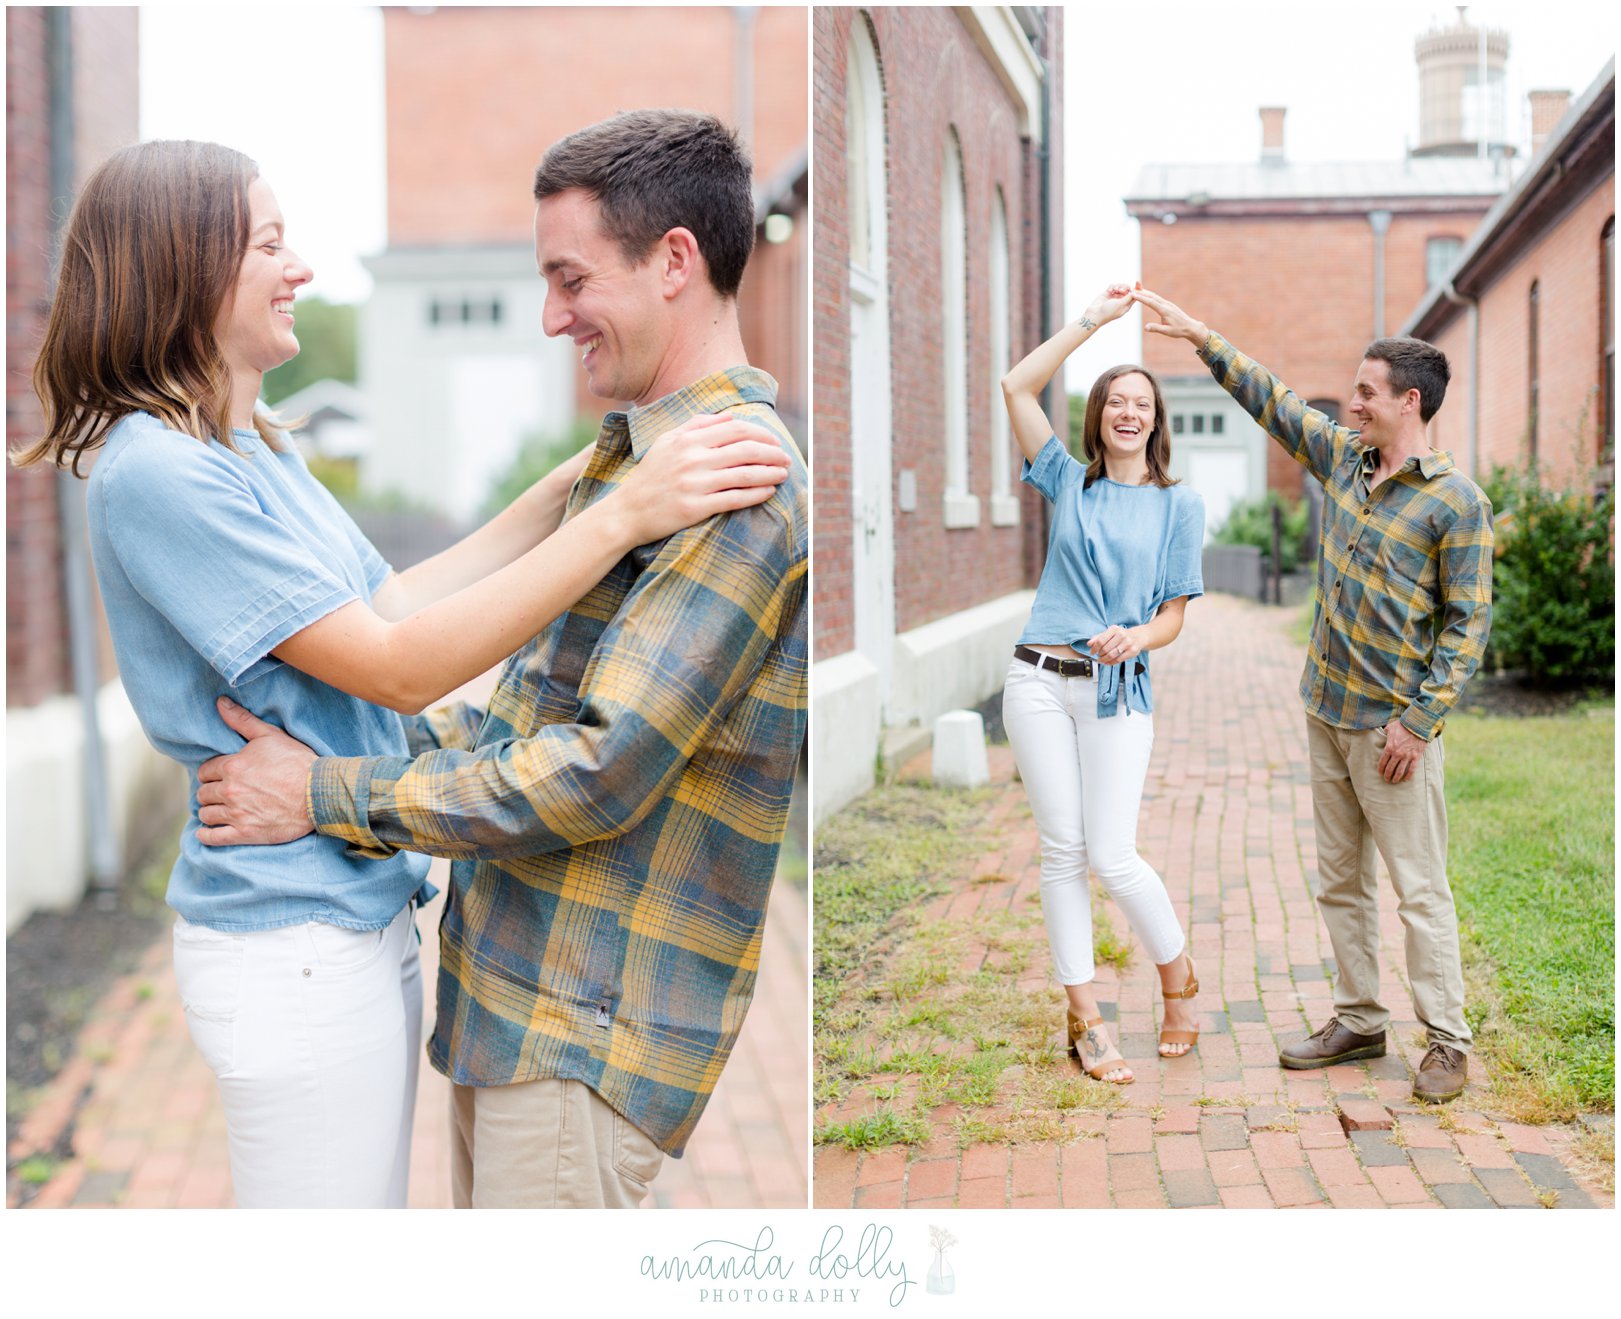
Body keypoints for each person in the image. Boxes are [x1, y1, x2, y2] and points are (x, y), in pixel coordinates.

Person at [13, 138, 789, 1208]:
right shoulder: (159, 474)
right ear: (184, 266)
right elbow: (395, 666)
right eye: (270, 244)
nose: (303, 270)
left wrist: (595, 472)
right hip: (286, 931)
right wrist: (629, 508)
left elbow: (392, 601)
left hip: (357, 908)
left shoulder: (255, 446)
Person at [1133, 286, 1492, 1104]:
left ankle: (1446, 1041)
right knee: (1338, 880)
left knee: (1418, 888)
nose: (1351, 402)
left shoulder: (1455, 502)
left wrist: (1419, 720)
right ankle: (1360, 1020)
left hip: (1392, 732)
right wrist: (1198, 333)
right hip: (1324, 711)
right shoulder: (1342, 459)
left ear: (1408, 400)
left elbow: (1467, 627)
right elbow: (1270, 400)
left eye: (1365, 391)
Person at [998, 283, 1205, 1086]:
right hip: (1036, 682)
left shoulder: (1177, 505)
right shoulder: (1065, 479)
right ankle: (1085, 1018)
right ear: (1098, 415)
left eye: (1141, 404)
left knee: (1112, 855)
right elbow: (1016, 385)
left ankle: (1176, 979)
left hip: (1118, 691)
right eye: (1114, 401)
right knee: (1060, 851)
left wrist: (1137, 635)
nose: (1128, 413)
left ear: (1155, 421)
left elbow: (1175, 616)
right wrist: (1091, 322)